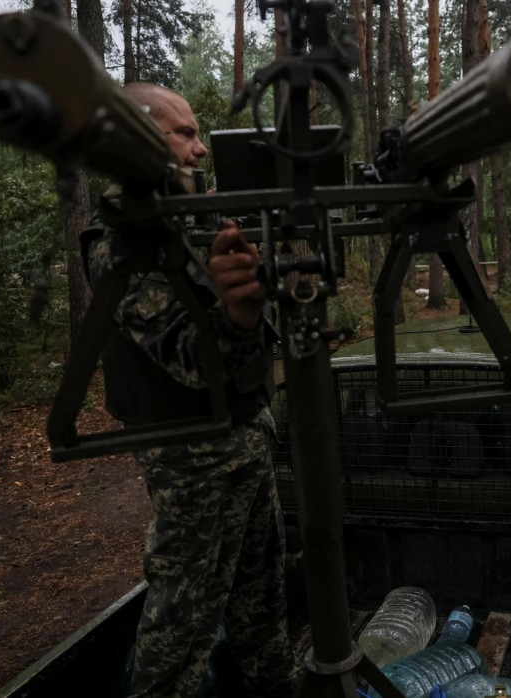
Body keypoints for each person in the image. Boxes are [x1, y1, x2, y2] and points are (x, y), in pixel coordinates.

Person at [82, 82, 296, 698]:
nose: (200, 149)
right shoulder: (121, 242)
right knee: (185, 619)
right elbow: (188, 358)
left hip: (244, 438)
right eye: (184, 133)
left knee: (262, 597)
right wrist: (239, 314)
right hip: (193, 459)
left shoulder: (191, 220)